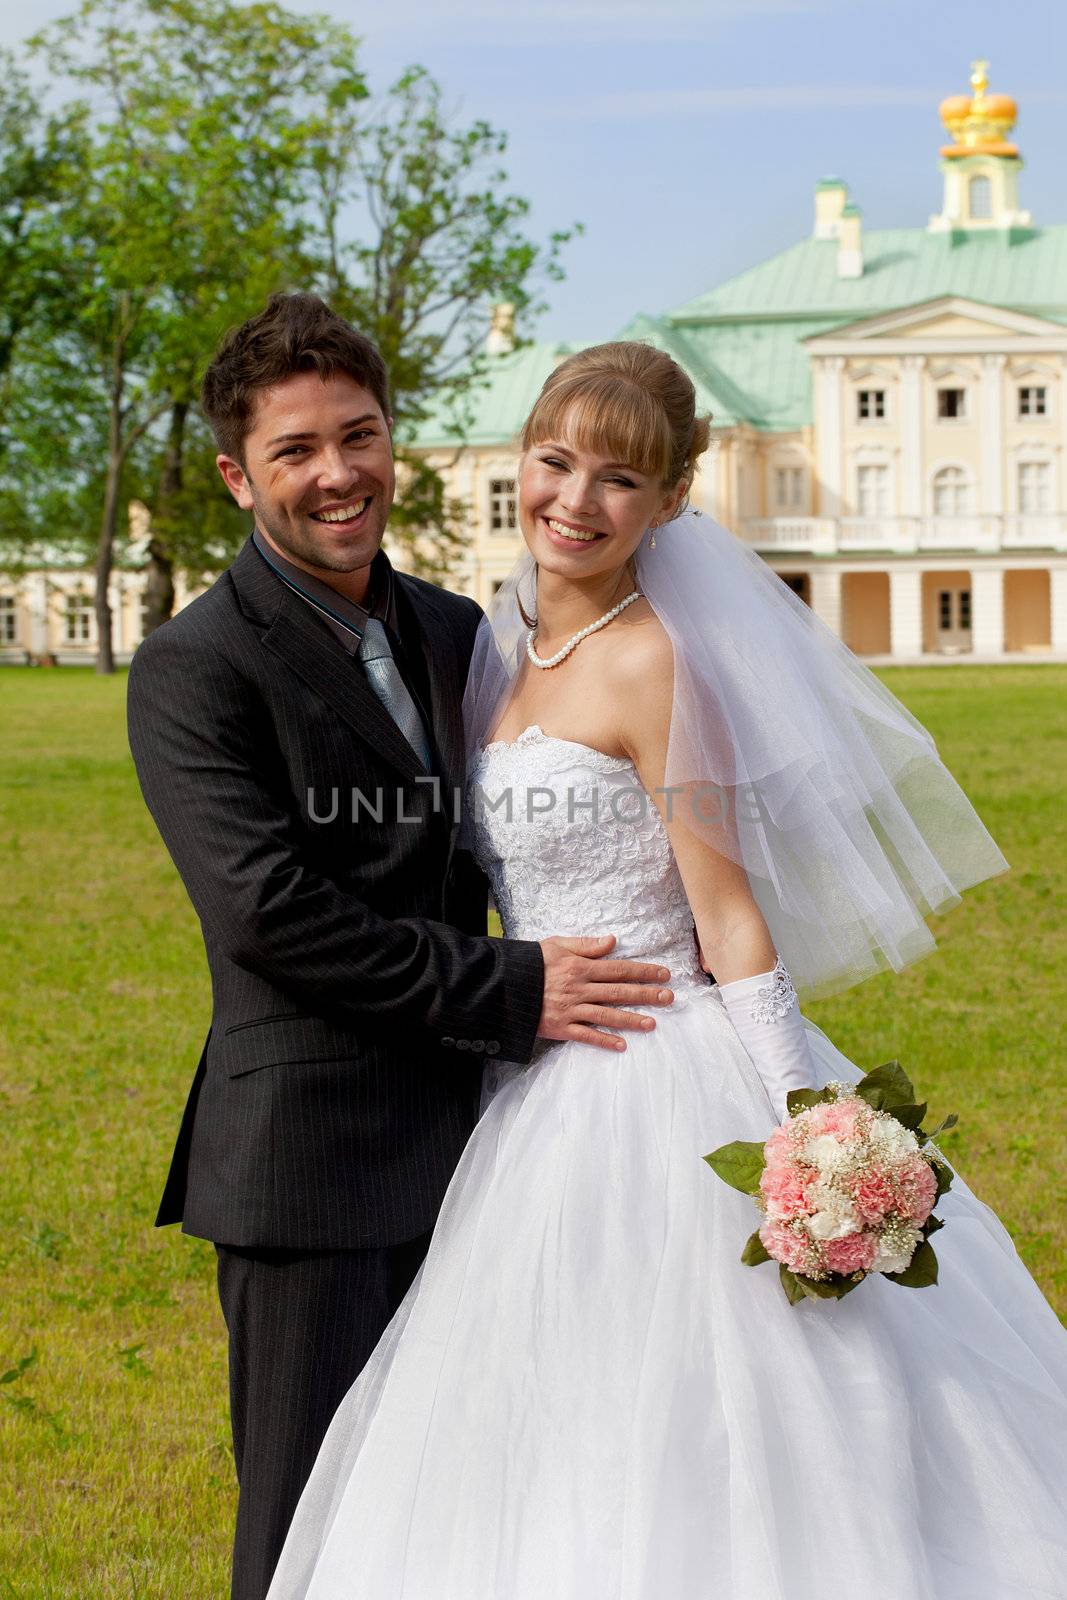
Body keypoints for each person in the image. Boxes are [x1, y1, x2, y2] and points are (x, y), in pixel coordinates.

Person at [266, 341, 1067, 1600]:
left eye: (620, 481)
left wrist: (802, 1121)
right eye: (553, 463)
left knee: (708, 1402)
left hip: (654, 1070)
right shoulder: (492, 647)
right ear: (521, 463)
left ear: (672, 503)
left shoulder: (657, 663)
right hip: (528, 1076)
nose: (575, 502)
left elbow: (726, 913)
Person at [126, 300, 677, 1600]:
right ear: (235, 475)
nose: (337, 474)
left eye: (359, 436)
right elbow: (269, 912)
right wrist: (519, 985)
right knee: (311, 1530)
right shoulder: (192, 668)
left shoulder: (455, 628)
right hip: (309, 1171)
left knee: (468, 1523)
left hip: (492, 1156)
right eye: (297, 450)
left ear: (392, 439)